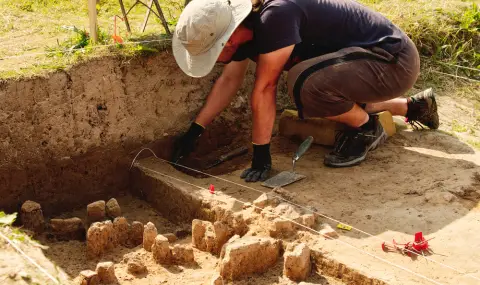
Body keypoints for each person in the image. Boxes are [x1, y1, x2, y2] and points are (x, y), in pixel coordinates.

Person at [170, 0, 439, 182]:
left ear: (226, 41)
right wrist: (196, 130)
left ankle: (367, 127)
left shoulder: (275, 17)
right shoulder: (246, 31)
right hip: (362, 65)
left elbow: (265, 87)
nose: (216, 59)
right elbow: (229, 81)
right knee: (319, 88)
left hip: (392, 59)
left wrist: (261, 154)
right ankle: (413, 107)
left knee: (304, 84)